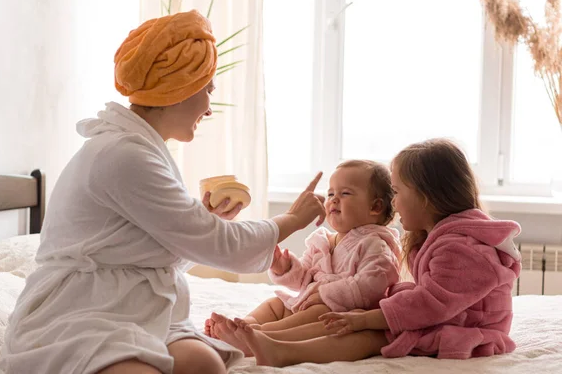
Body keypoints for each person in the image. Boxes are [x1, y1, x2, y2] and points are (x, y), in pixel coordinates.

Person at [0, 10, 326, 374]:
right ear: (179, 91)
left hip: (132, 306)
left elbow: (150, 253)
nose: (210, 108)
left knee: (206, 366)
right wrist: (291, 221)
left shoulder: (140, 149)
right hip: (83, 312)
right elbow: (217, 244)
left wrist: (204, 220)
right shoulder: (123, 155)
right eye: (208, 90)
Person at [224, 138, 522, 367]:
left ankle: (276, 346)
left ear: (427, 198)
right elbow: (430, 296)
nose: (394, 202)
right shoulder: (441, 239)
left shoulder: (462, 248)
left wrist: (365, 318)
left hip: (468, 327)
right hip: (448, 315)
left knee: (369, 333)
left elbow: (431, 302)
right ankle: (260, 335)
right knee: (320, 313)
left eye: (397, 192)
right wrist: (286, 268)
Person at [206, 160, 401, 357]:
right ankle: (245, 325)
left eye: (345, 193)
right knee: (276, 304)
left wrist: (326, 294)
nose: (333, 200)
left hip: (340, 313)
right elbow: (304, 279)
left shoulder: (376, 245)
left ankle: (259, 335)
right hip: (305, 304)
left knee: (318, 311)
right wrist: (285, 267)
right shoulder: (322, 241)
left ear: (375, 207)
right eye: (331, 193)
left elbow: (373, 284)